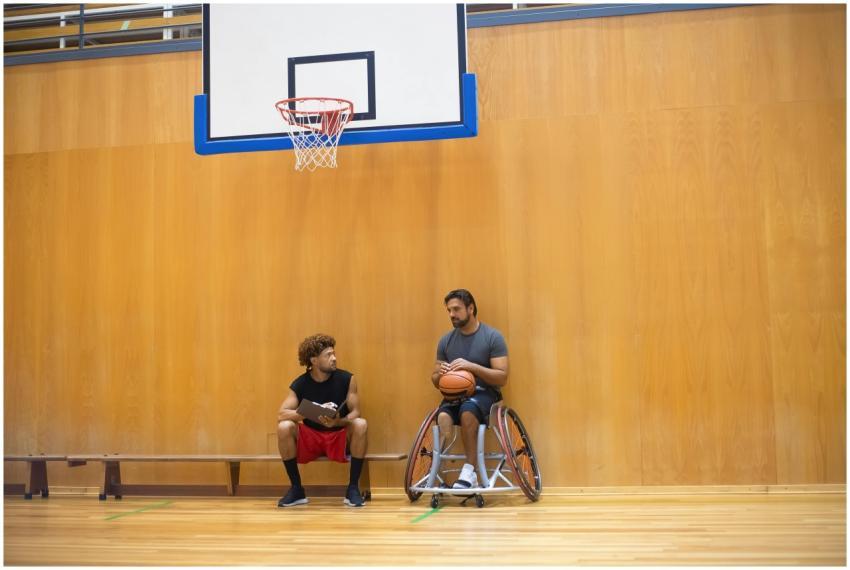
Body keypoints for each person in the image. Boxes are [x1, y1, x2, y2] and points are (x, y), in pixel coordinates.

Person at [276, 334, 368, 508]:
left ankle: (353, 488)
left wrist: (338, 422)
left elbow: (356, 412)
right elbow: (282, 414)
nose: (334, 358)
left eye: (334, 353)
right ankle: (296, 489)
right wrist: (309, 410)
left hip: (339, 435)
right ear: (314, 360)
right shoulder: (300, 384)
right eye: (328, 355)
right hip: (312, 438)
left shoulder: (347, 379)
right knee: (284, 427)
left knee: (361, 424)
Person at [432, 289, 509, 489]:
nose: (451, 314)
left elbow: (502, 377)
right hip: (454, 395)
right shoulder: (445, 341)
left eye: (456, 309)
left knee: (467, 412)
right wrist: (441, 374)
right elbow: (434, 379)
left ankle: (469, 471)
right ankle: (437, 470)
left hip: (485, 394)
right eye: (449, 310)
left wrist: (472, 367)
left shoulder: (493, 336)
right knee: (442, 417)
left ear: (471, 308)